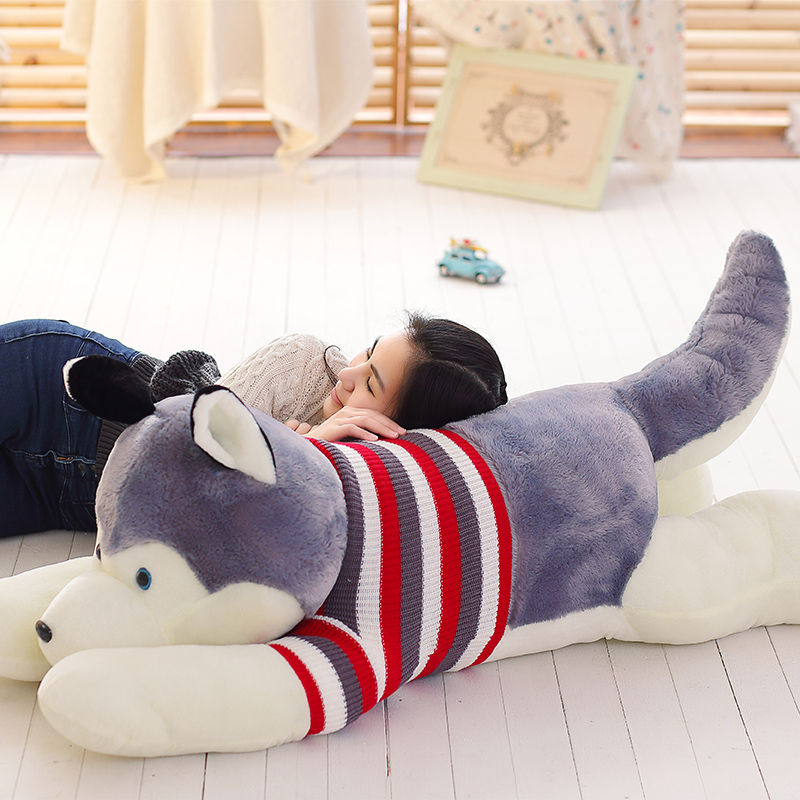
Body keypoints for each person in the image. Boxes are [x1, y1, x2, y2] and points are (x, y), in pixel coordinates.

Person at [0, 314, 506, 538]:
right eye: (368, 352)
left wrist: (306, 455)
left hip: (64, 497)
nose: (346, 376)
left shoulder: (372, 490)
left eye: (370, 385)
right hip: (63, 391)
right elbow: (176, 453)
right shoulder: (304, 363)